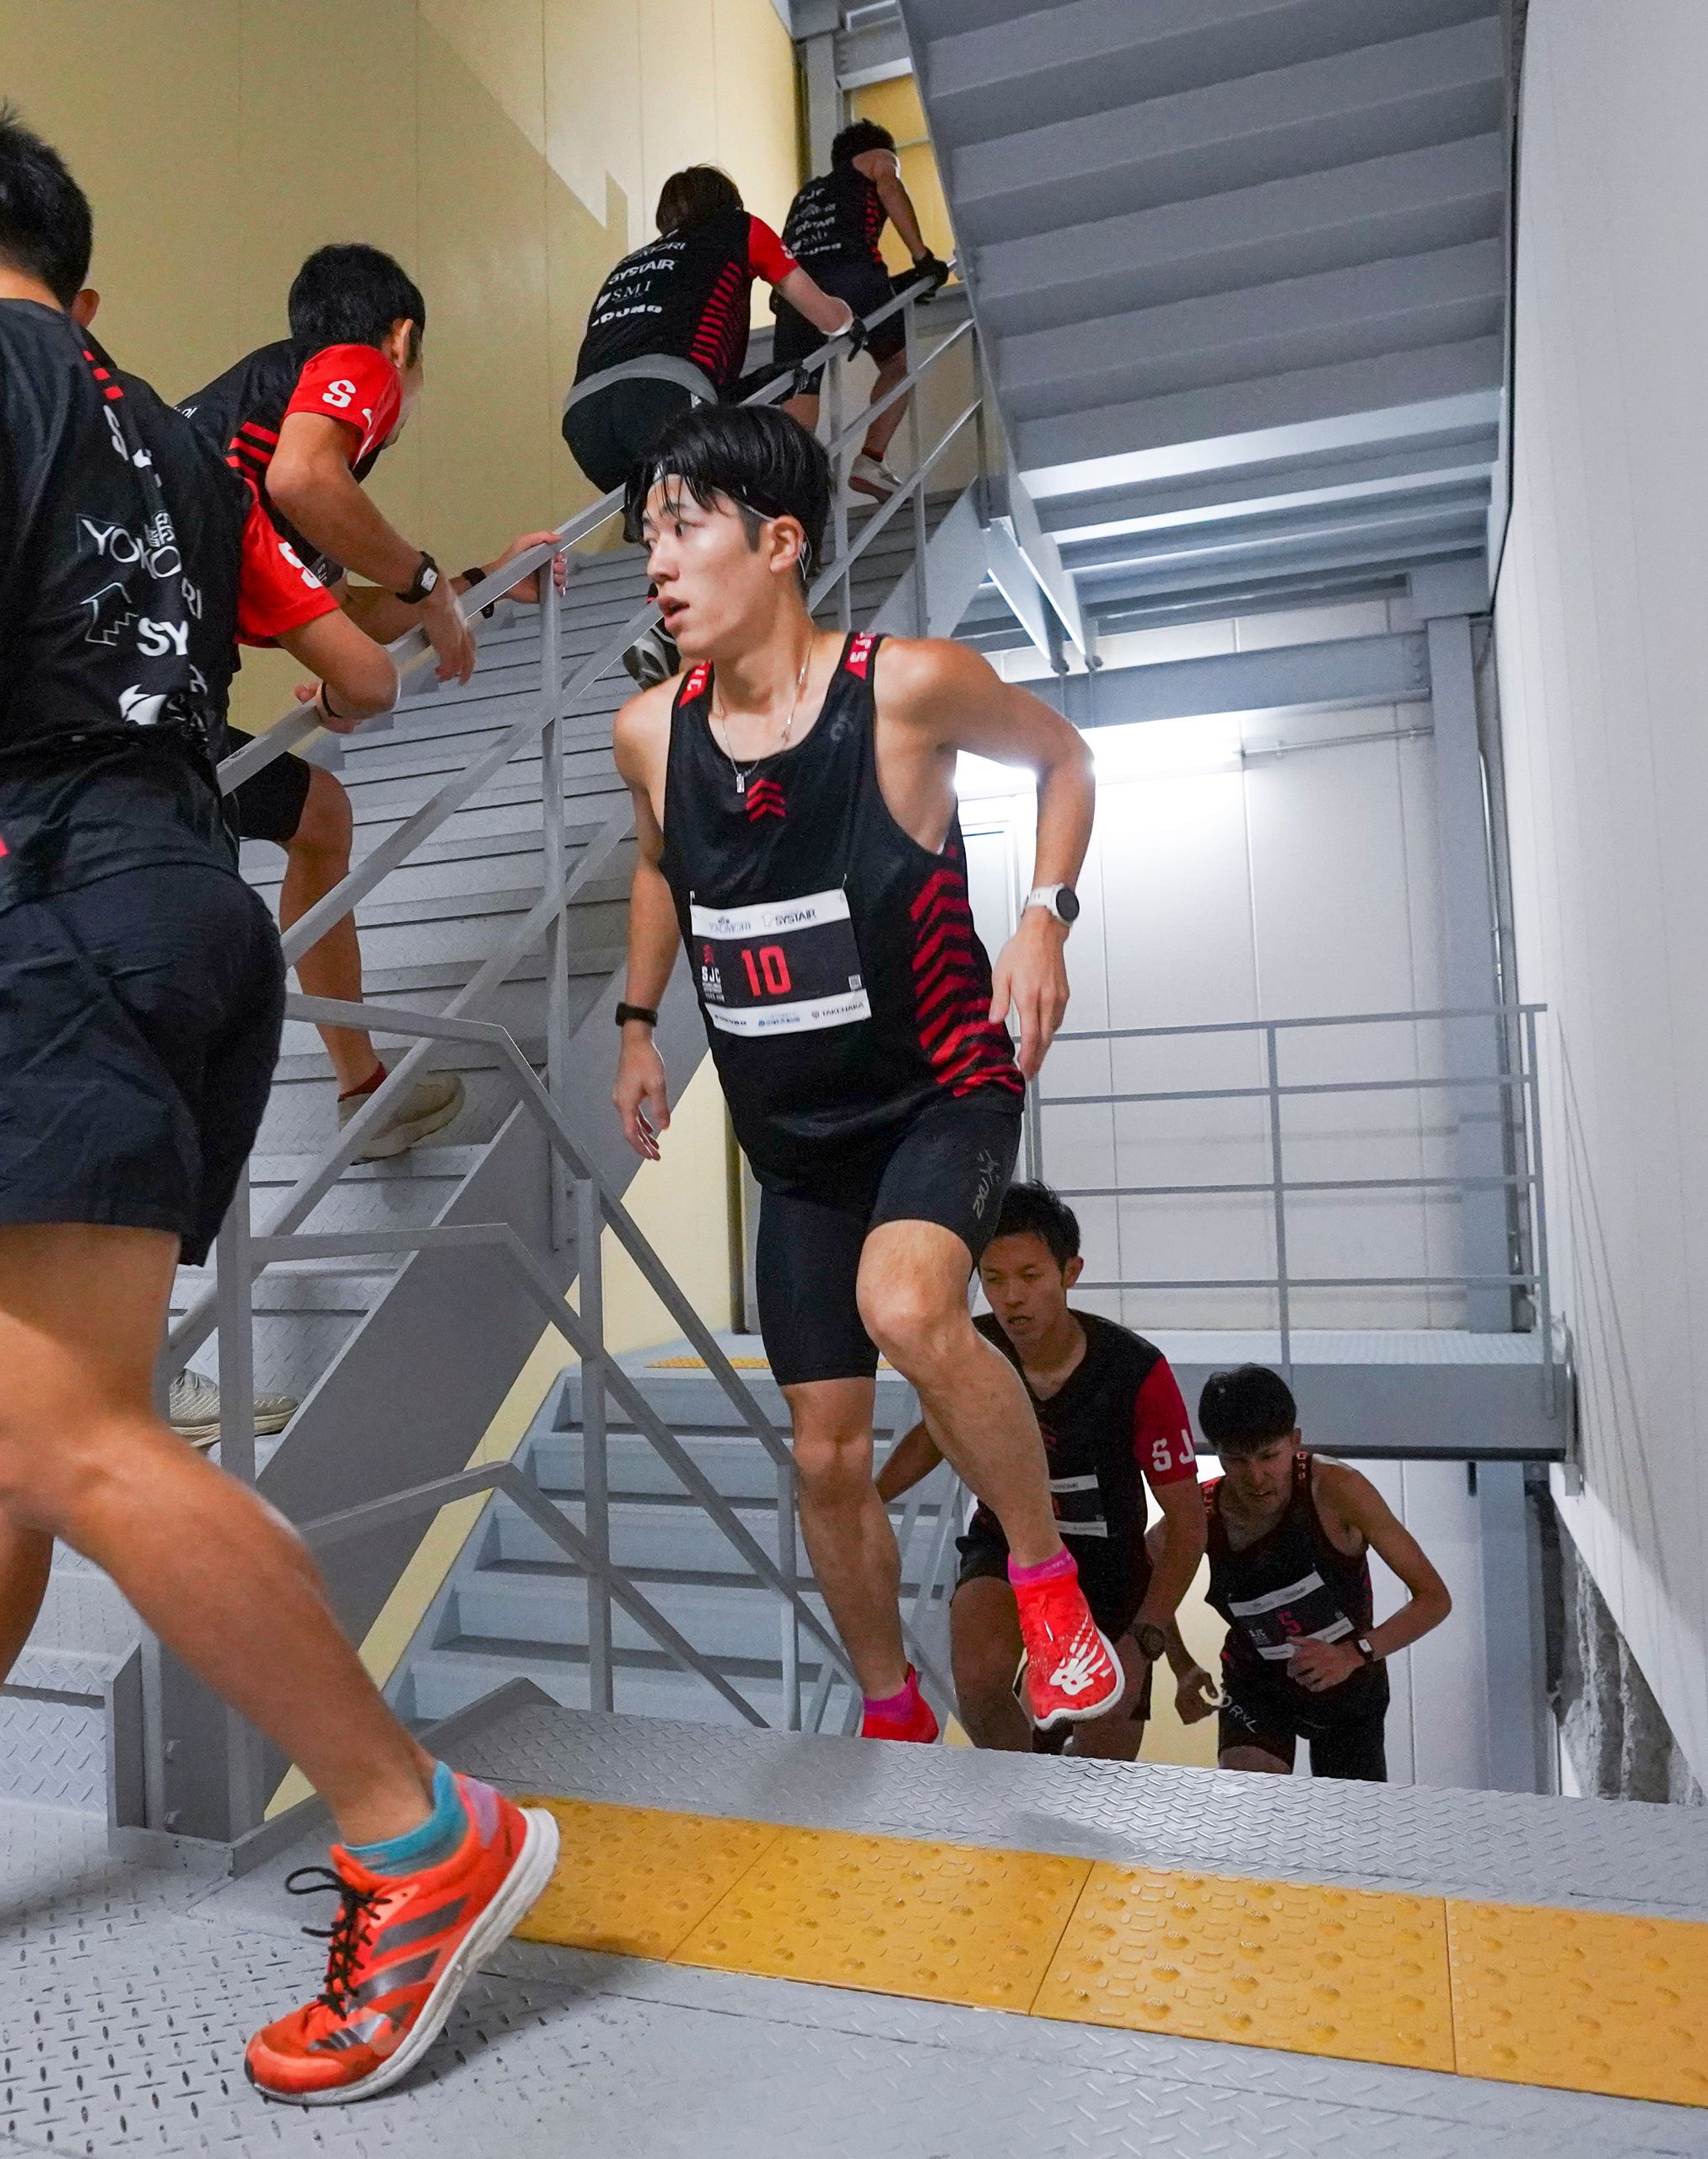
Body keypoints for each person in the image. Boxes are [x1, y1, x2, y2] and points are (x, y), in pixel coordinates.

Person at [0, 105, 555, 2105]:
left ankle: (419, 1834)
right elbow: (358, 670)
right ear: (89, 290)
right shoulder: (162, 426)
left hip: (46, 907)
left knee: (58, 1427)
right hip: (198, 921)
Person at [607, 401, 1120, 1747]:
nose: (657, 562)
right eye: (646, 535)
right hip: (798, 1142)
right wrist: (633, 1022)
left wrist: (1044, 913)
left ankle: (1048, 1585)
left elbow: (1065, 756)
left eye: (685, 528)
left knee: (908, 1306)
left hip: (942, 1089)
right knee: (827, 1457)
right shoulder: (650, 731)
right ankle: (893, 1709)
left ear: (779, 543)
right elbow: (662, 864)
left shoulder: (907, 687)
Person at [182, 244, 560, 1163]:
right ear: (402, 336)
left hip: (148, 686)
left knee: (321, 811)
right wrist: (429, 580)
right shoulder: (358, 371)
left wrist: (477, 582)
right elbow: (308, 480)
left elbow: (340, 605)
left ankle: (361, 1083)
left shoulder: (240, 447)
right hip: (145, 696)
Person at [875, 1183, 1208, 1757]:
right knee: (978, 1679)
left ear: (1069, 1272)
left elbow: (1187, 1526)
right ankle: (1025, 1801)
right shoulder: (971, 1346)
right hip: (1006, 1547)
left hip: (1110, 1572)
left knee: (1106, 1765)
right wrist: (862, 1495)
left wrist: (1146, 1637)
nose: (1011, 1299)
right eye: (994, 1279)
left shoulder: (1137, 1372)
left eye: (1030, 1277)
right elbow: (934, 1436)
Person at [563, 166, 854, 684]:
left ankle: (681, 631)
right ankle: (663, 622)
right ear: (730, 202)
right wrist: (848, 317)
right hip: (662, 395)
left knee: (680, 514)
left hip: (585, 421)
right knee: (740, 500)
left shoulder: (633, 262)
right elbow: (824, 315)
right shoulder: (739, 230)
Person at [1188, 1364, 1454, 1781]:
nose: (1256, 1478)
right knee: (1254, 1813)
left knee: (1352, 1832)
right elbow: (1144, 1582)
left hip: (1350, 1685)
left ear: (1295, 1442)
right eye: (1236, 1461)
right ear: (1216, 1452)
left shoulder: (1337, 1489)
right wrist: (1179, 1662)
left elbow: (1435, 1599)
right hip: (1256, 1687)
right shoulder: (1201, 1510)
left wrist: (1353, 1654)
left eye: (1269, 1456)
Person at [776, 119, 946, 498]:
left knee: (801, 387)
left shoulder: (805, 195)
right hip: (853, 275)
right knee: (899, 364)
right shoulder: (876, 158)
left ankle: (796, 489)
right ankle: (870, 461)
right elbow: (890, 187)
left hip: (796, 294)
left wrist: (896, 286)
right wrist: (922, 258)